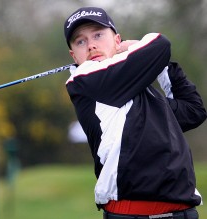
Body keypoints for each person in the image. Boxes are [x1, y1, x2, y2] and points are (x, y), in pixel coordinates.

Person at [63, 6, 207, 219]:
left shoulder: (145, 93)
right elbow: (161, 44)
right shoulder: (85, 80)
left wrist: (161, 66)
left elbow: (193, 110)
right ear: (74, 55)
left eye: (98, 35)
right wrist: (138, 47)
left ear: (117, 40)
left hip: (182, 213)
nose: (91, 45)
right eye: (80, 41)